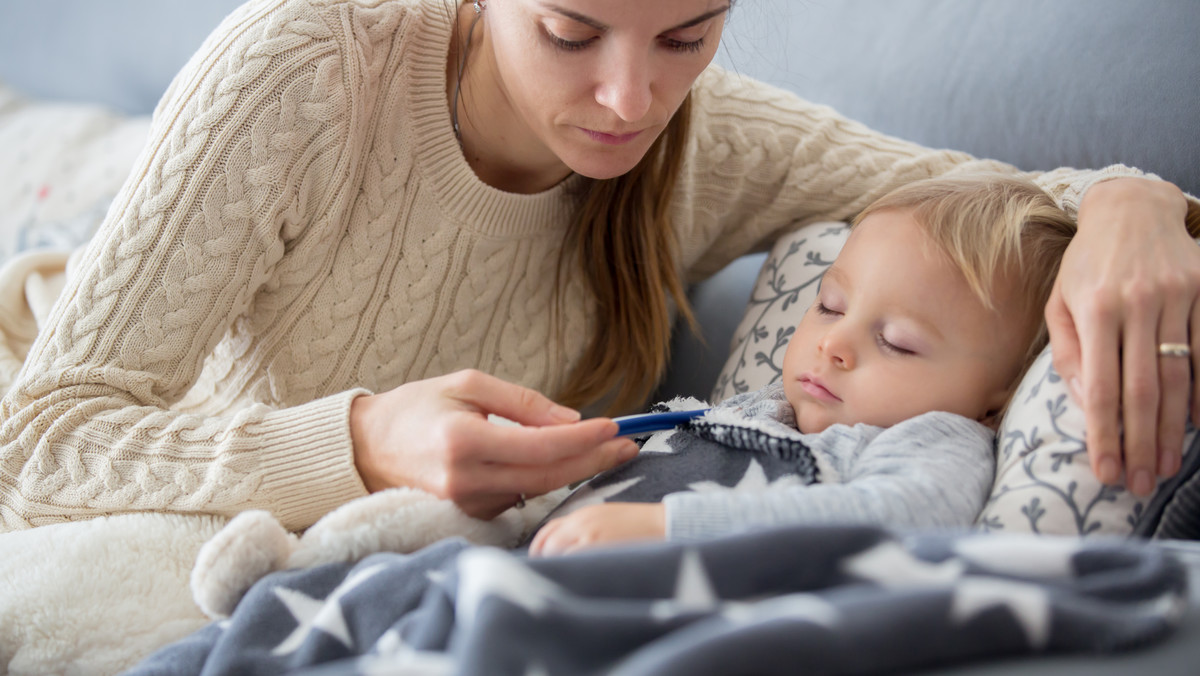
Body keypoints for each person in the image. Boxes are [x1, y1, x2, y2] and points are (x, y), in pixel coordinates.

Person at [0, 0, 1197, 538]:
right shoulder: (306, 67)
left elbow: (996, 203)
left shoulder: (703, 141)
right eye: (571, 33)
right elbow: (41, 438)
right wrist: (361, 438)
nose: (633, 101)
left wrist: (1142, 202)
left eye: (689, 34)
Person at [528, 173, 1074, 555]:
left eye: (898, 342)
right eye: (829, 306)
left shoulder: (934, 441)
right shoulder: (765, 406)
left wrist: (672, 528)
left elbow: (899, 518)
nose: (833, 342)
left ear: (995, 404)